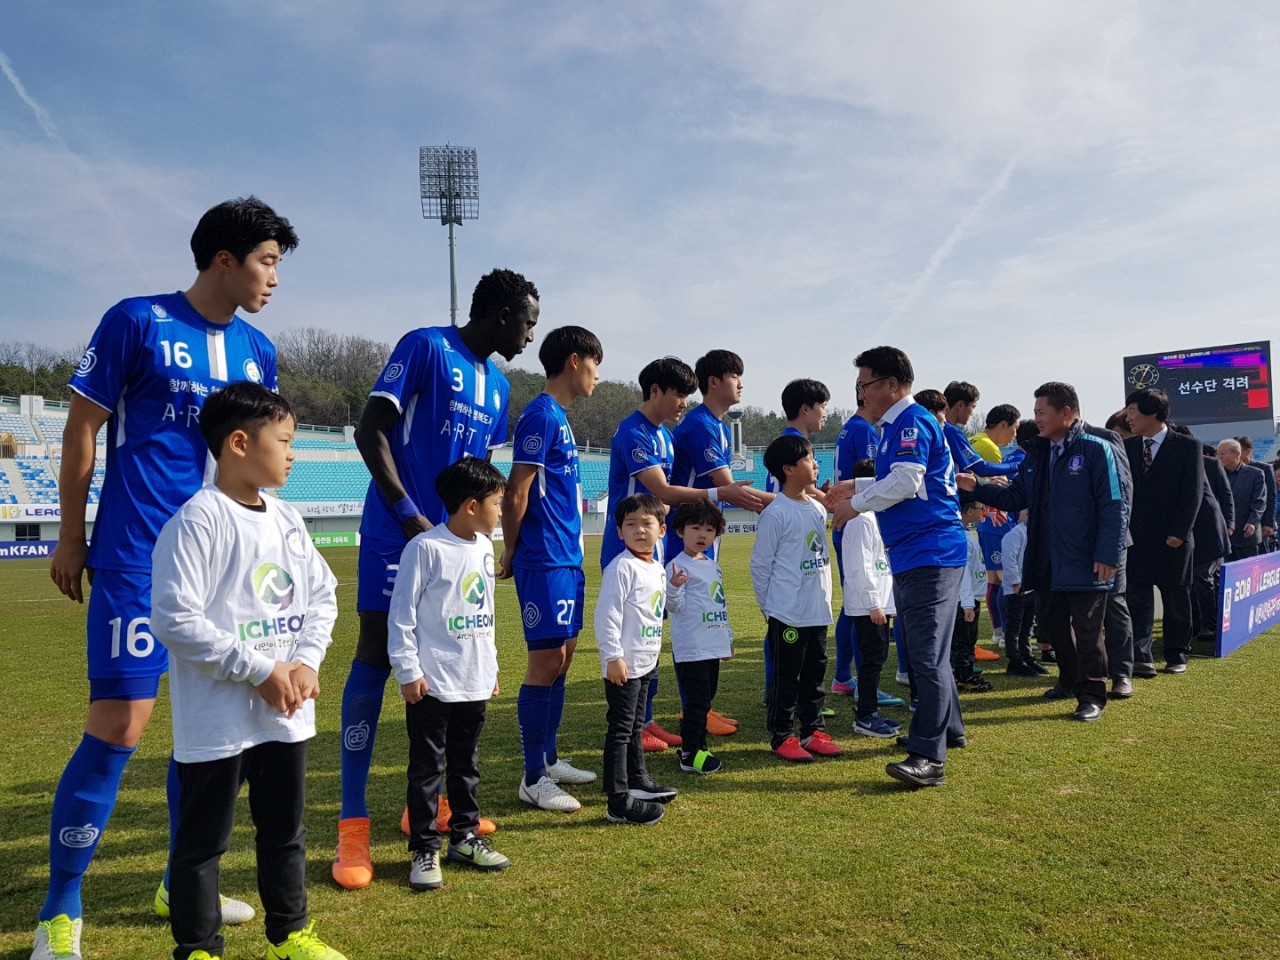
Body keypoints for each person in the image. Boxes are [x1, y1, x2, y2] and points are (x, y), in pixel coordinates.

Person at [37, 197, 297, 960]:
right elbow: (83, 428)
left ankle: (180, 884)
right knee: (121, 725)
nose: (274, 278)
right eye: (267, 261)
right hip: (136, 553)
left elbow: (260, 462)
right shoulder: (136, 322)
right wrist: (71, 536)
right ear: (224, 259)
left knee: (216, 738)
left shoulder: (258, 350)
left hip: (228, 571)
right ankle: (60, 909)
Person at [333, 268, 538, 890]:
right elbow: (372, 429)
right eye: (528, 321)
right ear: (502, 314)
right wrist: (410, 516)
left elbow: (480, 473)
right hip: (400, 530)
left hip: (458, 543)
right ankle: (352, 825)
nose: (531, 334)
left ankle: (435, 808)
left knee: (453, 659)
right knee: (378, 654)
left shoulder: (500, 385)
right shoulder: (425, 345)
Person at [151, 383, 345, 960]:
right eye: (284, 440)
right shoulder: (198, 520)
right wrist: (259, 668)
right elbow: (174, 619)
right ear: (239, 443)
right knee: (202, 845)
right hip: (218, 720)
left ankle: (290, 936)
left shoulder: (287, 518)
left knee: (285, 834)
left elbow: (324, 595)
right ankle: (199, 949)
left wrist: (306, 660)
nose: (293, 452)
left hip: (285, 716)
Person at [826, 348, 969, 787]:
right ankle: (949, 730)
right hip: (915, 553)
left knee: (925, 655)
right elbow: (908, 478)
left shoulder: (910, 421)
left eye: (864, 385)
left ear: (891, 385)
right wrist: (856, 485)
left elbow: (907, 482)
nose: (861, 394)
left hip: (931, 551)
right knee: (931, 652)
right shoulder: (894, 427)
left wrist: (853, 504)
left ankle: (928, 757)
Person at [602, 357, 758, 752]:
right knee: (631, 639)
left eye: (688, 396)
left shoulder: (664, 436)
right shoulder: (633, 432)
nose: (683, 403)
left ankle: (647, 720)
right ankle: (633, 725)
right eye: (678, 394)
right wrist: (717, 493)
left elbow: (668, 501)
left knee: (650, 639)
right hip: (626, 547)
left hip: (652, 551)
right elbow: (663, 492)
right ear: (655, 390)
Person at [959, 381, 1128, 724]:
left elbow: (1115, 504)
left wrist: (1108, 554)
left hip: (1084, 557)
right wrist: (977, 487)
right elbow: (1014, 497)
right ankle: (1068, 679)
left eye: (1041, 412)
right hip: (1045, 556)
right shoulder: (1036, 453)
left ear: (1066, 412)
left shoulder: (1097, 448)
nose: (1035, 419)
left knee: (1088, 630)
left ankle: (1091, 694)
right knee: (1051, 625)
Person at [388, 457, 511, 891]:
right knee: (427, 769)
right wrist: (408, 670)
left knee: (466, 765)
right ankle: (425, 848)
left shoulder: (481, 547)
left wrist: (490, 666)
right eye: (498, 503)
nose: (503, 511)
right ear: (473, 506)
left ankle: (464, 836)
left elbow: (486, 612)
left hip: (473, 677)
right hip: (433, 682)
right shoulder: (425, 549)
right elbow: (401, 616)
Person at [498, 327, 603, 815]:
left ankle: (550, 756)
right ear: (575, 360)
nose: (598, 377)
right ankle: (532, 777)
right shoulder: (540, 415)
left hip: (567, 558)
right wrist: (511, 550)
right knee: (544, 663)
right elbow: (517, 490)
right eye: (595, 365)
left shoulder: (560, 419)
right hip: (542, 558)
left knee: (563, 658)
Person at [751, 435, 840, 762]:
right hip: (787, 612)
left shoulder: (817, 508)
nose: (815, 464)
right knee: (787, 676)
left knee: (815, 673)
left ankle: (812, 730)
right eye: (808, 458)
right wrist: (768, 607)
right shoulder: (776, 513)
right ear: (788, 469)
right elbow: (761, 565)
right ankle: (782, 735)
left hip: (816, 609)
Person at [595, 494, 680, 825]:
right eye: (630, 524)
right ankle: (617, 801)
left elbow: (658, 611)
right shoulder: (621, 568)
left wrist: (674, 587)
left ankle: (637, 781)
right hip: (624, 665)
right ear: (619, 532)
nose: (639, 530)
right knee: (620, 728)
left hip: (647, 660)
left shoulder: (656, 567)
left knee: (634, 726)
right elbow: (607, 615)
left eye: (647, 524)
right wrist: (613, 656)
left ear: (661, 530)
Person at [1123, 390, 1203, 675]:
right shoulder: (1128, 448)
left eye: (1132, 410)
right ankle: (1141, 656)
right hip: (1137, 539)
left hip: (1173, 539)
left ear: (1152, 413)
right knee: (1138, 599)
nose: (1127, 417)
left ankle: (1177, 654)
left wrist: (1180, 532)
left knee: (1175, 598)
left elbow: (1192, 494)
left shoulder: (1187, 446)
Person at [665, 500, 734, 775]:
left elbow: (721, 605)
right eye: (695, 528)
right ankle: (689, 753)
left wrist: (727, 639)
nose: (702, 535)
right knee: (695, 702)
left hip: (712, 644)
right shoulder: (676, 566)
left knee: (706, 700)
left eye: (709, 529)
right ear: (681, 531)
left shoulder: (712, 565)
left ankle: (699, 746)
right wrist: (673, 586)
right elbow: (673, 607)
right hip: (691, 646)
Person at [839, 460, 901, 739]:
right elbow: (859, 567)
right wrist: (874, 603)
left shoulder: (876, 515)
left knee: (877, 658)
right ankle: (865, 715)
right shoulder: (861, 519)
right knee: (870, 660)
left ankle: (870, 710)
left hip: (879, 602)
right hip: (868, 605)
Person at [1176, 432, 1233, 641]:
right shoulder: (1170, 465)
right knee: (1190, 581)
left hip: (1209, 532)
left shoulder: (1209, 464)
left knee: (1203, 578)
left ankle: (1210, 626)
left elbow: (1225, 497)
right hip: (1187, 534)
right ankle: (1196, 623)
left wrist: (1230, 524)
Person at [763, 378, 830, 496]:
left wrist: (819, 491)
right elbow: (808, 492)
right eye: (823, 407)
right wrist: (840, 504)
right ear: (805, 409)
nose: (825, 414)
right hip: (790, 513)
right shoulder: (799, 446)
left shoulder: (785, 442)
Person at [952, 502, 993, 692]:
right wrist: (967, 603)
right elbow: (963, 573)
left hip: (971, 598)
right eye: (979, 508)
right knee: (963, 640)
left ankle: (964, 671)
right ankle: (963, 676)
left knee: (969, 639)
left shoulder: (967, 535)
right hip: (963, 601)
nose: (982, 511)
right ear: (968, 511)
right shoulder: (960, 538)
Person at [1001, 510, 1043, 675]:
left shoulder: (1031, 533)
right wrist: (1016, 582)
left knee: (1027, 625)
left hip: (1030, 588)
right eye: (1027, 512)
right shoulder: (1014, 534)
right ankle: (1015, 660)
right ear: (1020, 515)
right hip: (1016, 589)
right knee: (1015, 627)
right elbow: (1009, 559)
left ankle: (1027, 657)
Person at [1217, 439, 1265, 561]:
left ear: (1237, 454)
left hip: (1246, 535)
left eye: (1223, 454)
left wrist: (1253, 523)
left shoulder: (1255, 474)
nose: (1219, 457)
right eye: (1217, 454)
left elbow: (1259, 502)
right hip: (1224, 535)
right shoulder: (1216, 474)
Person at [1236, 436, 1276, 552]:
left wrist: (1269, 523)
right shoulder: (1229, 470)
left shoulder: (1264, 469)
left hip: (1260, 524)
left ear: (1247, 451)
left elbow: (1270, 497)